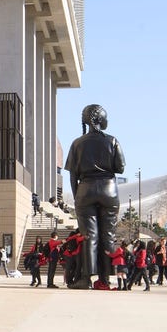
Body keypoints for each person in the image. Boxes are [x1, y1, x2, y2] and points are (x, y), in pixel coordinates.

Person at [63, 103, 125, 290]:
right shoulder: (112, 140)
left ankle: (86, 278)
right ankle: (105, 279)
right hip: (108, 189)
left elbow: (73, 174)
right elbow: (120, 167)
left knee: (89, 236)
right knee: (108, 235)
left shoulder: (77, 143)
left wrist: (77, 196)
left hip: (86, 188)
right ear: (100, 119)